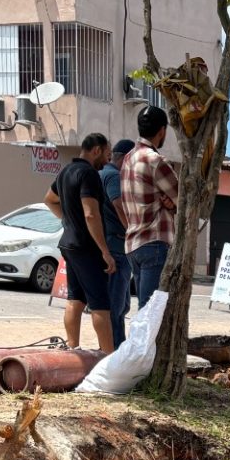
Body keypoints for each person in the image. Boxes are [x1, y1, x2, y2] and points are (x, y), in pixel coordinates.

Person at [46, 133, 117, 354]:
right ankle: (108, 358)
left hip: (69, 245)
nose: (108, 160)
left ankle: (72, 349)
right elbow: (91, 214)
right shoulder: (89, 174)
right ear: (96, 150)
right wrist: (105, 251)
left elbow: (49, 199)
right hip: (87, 248)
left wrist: (67, 220)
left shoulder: (66, 171)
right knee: (100, 305)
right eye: (107, 154)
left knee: (75, 300)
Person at [119, 105, 178, 307]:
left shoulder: (127, 158)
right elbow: (183, 200)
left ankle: (140, 340)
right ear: (162, 130)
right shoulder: (155, 160)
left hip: (133, 243)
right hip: (154, 241)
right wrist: (171, 207)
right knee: (151, 311)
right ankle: (144, 341)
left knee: (144, 308)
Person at [100, 137, 134, 346]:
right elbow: (118, 205)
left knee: (118, 305)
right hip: (117, 247)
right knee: (117, 306)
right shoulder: (113, 176)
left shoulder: (101, 173)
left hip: (110, 245)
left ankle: (112, 347)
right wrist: (132, 230)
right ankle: (116, 350)